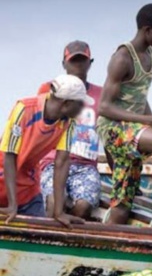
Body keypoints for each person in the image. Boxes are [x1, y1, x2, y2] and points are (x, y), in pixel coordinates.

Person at [96, 3, 152, 235]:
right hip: (113, 129)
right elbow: (104, 108)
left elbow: (139, 96)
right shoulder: (122, 58)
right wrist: (148, 121)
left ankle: (104, 247)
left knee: (121, 208)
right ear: (147, 30)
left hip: (133, 131)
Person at [0, 75, 90, 227]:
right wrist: (12, 205)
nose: (83, 108)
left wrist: (59, 212)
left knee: (39, 230)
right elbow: (9, 155)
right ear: (67, 103)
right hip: (4, 176)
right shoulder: (24, 109)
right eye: (80, 103)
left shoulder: (69, 122)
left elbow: (61, 162)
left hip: (27, 185)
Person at [38, 41, 103, 220]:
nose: (78, 66)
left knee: (83, 208)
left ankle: (70, 241)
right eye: (74, 61)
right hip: (53, 162)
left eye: (83, 61)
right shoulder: (49, 89)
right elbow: (37, 128)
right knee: (53, 203)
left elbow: (109, 133)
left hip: (86, 166)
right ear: (64, 64)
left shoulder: (102, 95)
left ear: (90, 63)